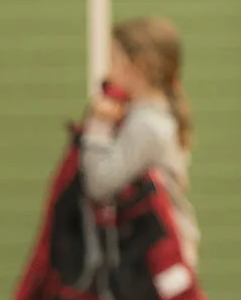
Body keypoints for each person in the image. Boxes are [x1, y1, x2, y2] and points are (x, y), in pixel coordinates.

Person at [81, 16, 201, 266]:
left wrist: (98, 127)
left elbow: (99, 184)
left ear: (139, 67)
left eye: (114, 61)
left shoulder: (147, 126)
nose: (109, 73)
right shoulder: (145, 115)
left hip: (160, 257)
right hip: (156, 251)